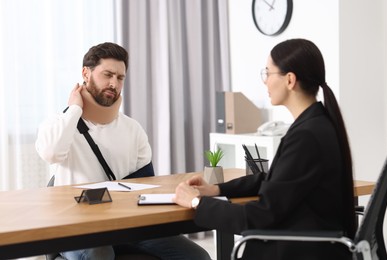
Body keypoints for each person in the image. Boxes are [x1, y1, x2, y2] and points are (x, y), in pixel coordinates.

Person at [173, 39, 357, 260]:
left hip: (299, 250)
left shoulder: (307, 135)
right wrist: (216, 190)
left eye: (268, 73)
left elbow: (261, 216)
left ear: (289, 80)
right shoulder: (316, 124)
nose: (265, 82)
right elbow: (272, 179)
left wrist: (196, 202)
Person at [36, 42, 211, 260]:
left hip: (127, 225)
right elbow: (51, 153)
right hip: (76, 226)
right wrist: (74, 109)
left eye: (120, 78)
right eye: (107, 74)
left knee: (197, 256)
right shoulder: (60, 124)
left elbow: (145, 183)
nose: (113, 83)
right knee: (99, 254)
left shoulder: (132, 129)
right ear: (85, 73)